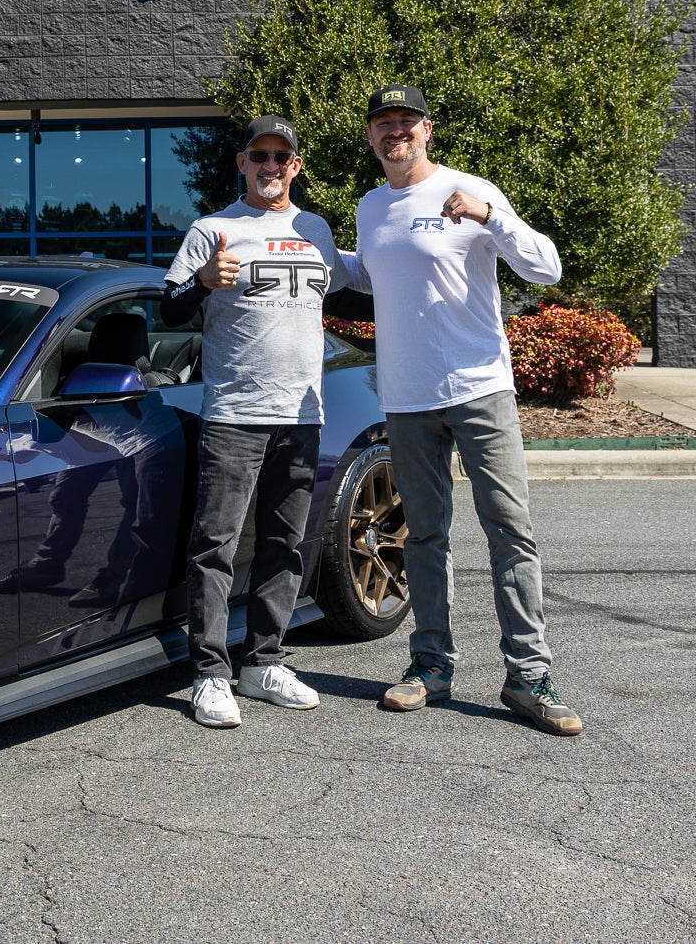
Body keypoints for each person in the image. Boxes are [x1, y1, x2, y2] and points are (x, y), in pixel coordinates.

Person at [338, 84, 582, 736]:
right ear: (371, 136)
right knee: (424, 535)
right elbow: (371, 274)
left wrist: (490, 218)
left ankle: (528, 674)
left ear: (428, 130)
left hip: (479, 389)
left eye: (407, 121)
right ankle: (431, 666)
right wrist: (317, 255)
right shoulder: (370, 206)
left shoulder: (473, 190)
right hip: (408, 396)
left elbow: (548, 268)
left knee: (510, 529)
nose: (396, 132)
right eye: (384, 123)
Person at [162, 114, 344, 728]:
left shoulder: (315, 229)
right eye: (259, 156)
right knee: (215, 544)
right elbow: (169, 308)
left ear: (296, 167)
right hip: (236, 414)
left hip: (304, 413)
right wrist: (205, 282)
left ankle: (264, 661)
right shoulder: (211, 229)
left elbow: (361, 289)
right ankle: (209, 673)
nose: (271, 166)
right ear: (242, 163)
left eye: (281, 157)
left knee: (284, 543)